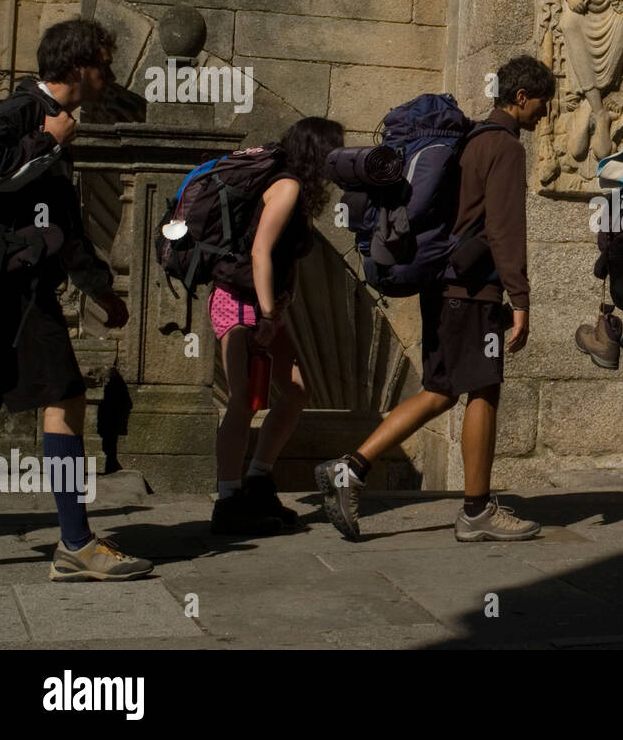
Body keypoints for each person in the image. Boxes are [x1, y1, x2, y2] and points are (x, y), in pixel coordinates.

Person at [316, 56, 555, 542]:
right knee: (484, 388)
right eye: (542, 105)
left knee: (442, 390)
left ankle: (351, 469)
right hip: (474, 290)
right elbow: (506, 228)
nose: (544, 116)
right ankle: (475, 512)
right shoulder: (505, 148)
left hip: (440, 284)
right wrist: (521, 298)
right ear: (521, 98)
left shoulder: (465, 140)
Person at [0, 17, 150, 580]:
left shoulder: (52, 120)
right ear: (78, 65)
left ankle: (75, 541)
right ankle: (76, 544)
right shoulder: (21, 115)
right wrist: (45, 144)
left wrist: (100, 288)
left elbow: (61, 220)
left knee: (64, 396)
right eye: (104, 63)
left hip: (25, 286)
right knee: (65, 397)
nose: (109, 75)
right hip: (11, 288)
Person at [209, 117, 345, 535]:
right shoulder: (287, 187)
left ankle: (257, 480)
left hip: (265, 305)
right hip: (240, 300)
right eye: (333, 151)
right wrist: (268, 316)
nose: (337, 160)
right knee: (242, 400)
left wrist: (278, 308)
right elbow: (260, 251)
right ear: (316, 152)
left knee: (297, 389)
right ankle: (228, 502)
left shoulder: (294, 191)